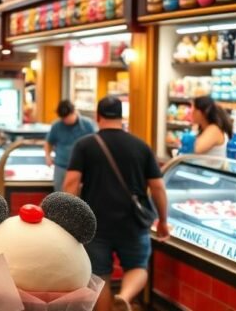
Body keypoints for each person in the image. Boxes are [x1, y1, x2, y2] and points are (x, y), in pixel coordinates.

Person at [64, 97, 169, 311]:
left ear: (98, 116)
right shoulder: (141, 146)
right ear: (122, 117)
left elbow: (71, 183)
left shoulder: (85, 145)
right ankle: (124, 296)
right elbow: (158, 187)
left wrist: (70, 221)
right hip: (133, 222)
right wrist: (163, 221)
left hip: (96, 223)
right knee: (138, 266)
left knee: (99, 276)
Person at [45, 99, 98, 191]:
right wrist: (48, 156)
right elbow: (48, 142)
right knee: (60, 198)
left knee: (81, 198)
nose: (65, 120)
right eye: (63, 118)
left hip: (83, 168)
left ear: (74, 112)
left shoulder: (88, 125)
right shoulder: (57, 126)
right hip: (61, 166)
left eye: (67, 117)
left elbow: (96, 142)